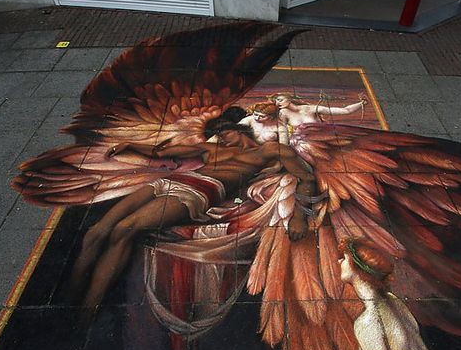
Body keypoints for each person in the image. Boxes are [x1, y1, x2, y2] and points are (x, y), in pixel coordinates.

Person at [69, 127, 315, 310]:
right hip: (172, 181)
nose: (220, 137)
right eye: (219, 133)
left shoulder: (270, 150)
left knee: (124, 229)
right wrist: (130, 146)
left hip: (202, 189)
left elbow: (307, 178)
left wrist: (299, 217)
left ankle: (87, 311)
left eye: (225, 132)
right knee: (96, 230)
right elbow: (161, 152)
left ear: (240, 130)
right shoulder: (210, 148)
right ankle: (70, 296)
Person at [338, 239, 446, 350]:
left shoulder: (368, 322)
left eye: (344, 258)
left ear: (356, 267)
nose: (339, 261)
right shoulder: (395, 303)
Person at [269, 92, 368, 135]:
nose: (278, 103)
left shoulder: (310, 108)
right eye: (275, 102)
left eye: (280, 100)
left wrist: (361, 103)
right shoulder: (283, 113)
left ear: (289, 99)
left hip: (323, 136)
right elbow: (281, 130)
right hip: (303, 144)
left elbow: (346, 111)